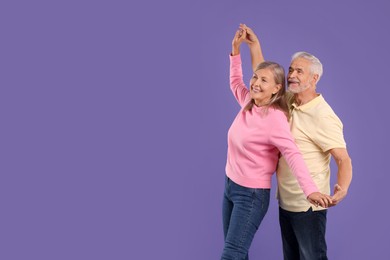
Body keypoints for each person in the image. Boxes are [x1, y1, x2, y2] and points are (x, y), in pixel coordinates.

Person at [241, 24, 353, 260]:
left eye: (299, 72)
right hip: (287, 203)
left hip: (309, 208)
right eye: (291, 70)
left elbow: (342, 158)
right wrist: (254, 45)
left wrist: (342, 188)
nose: (291, 75)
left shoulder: (323, 115)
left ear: (314, 78)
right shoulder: (289, 99)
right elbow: (265, 78)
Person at [221, 26, 333, 260]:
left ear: (277, 89)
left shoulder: (275, 118)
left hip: (250, 194)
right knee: (236, 253)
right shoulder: (249, 102)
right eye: (255, 77)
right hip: (230, 186)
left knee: (232, 254)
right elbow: (235, 82)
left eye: (264, 80)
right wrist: (236, 50)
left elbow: (293, 154)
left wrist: (310, 190)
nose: (256, 83)